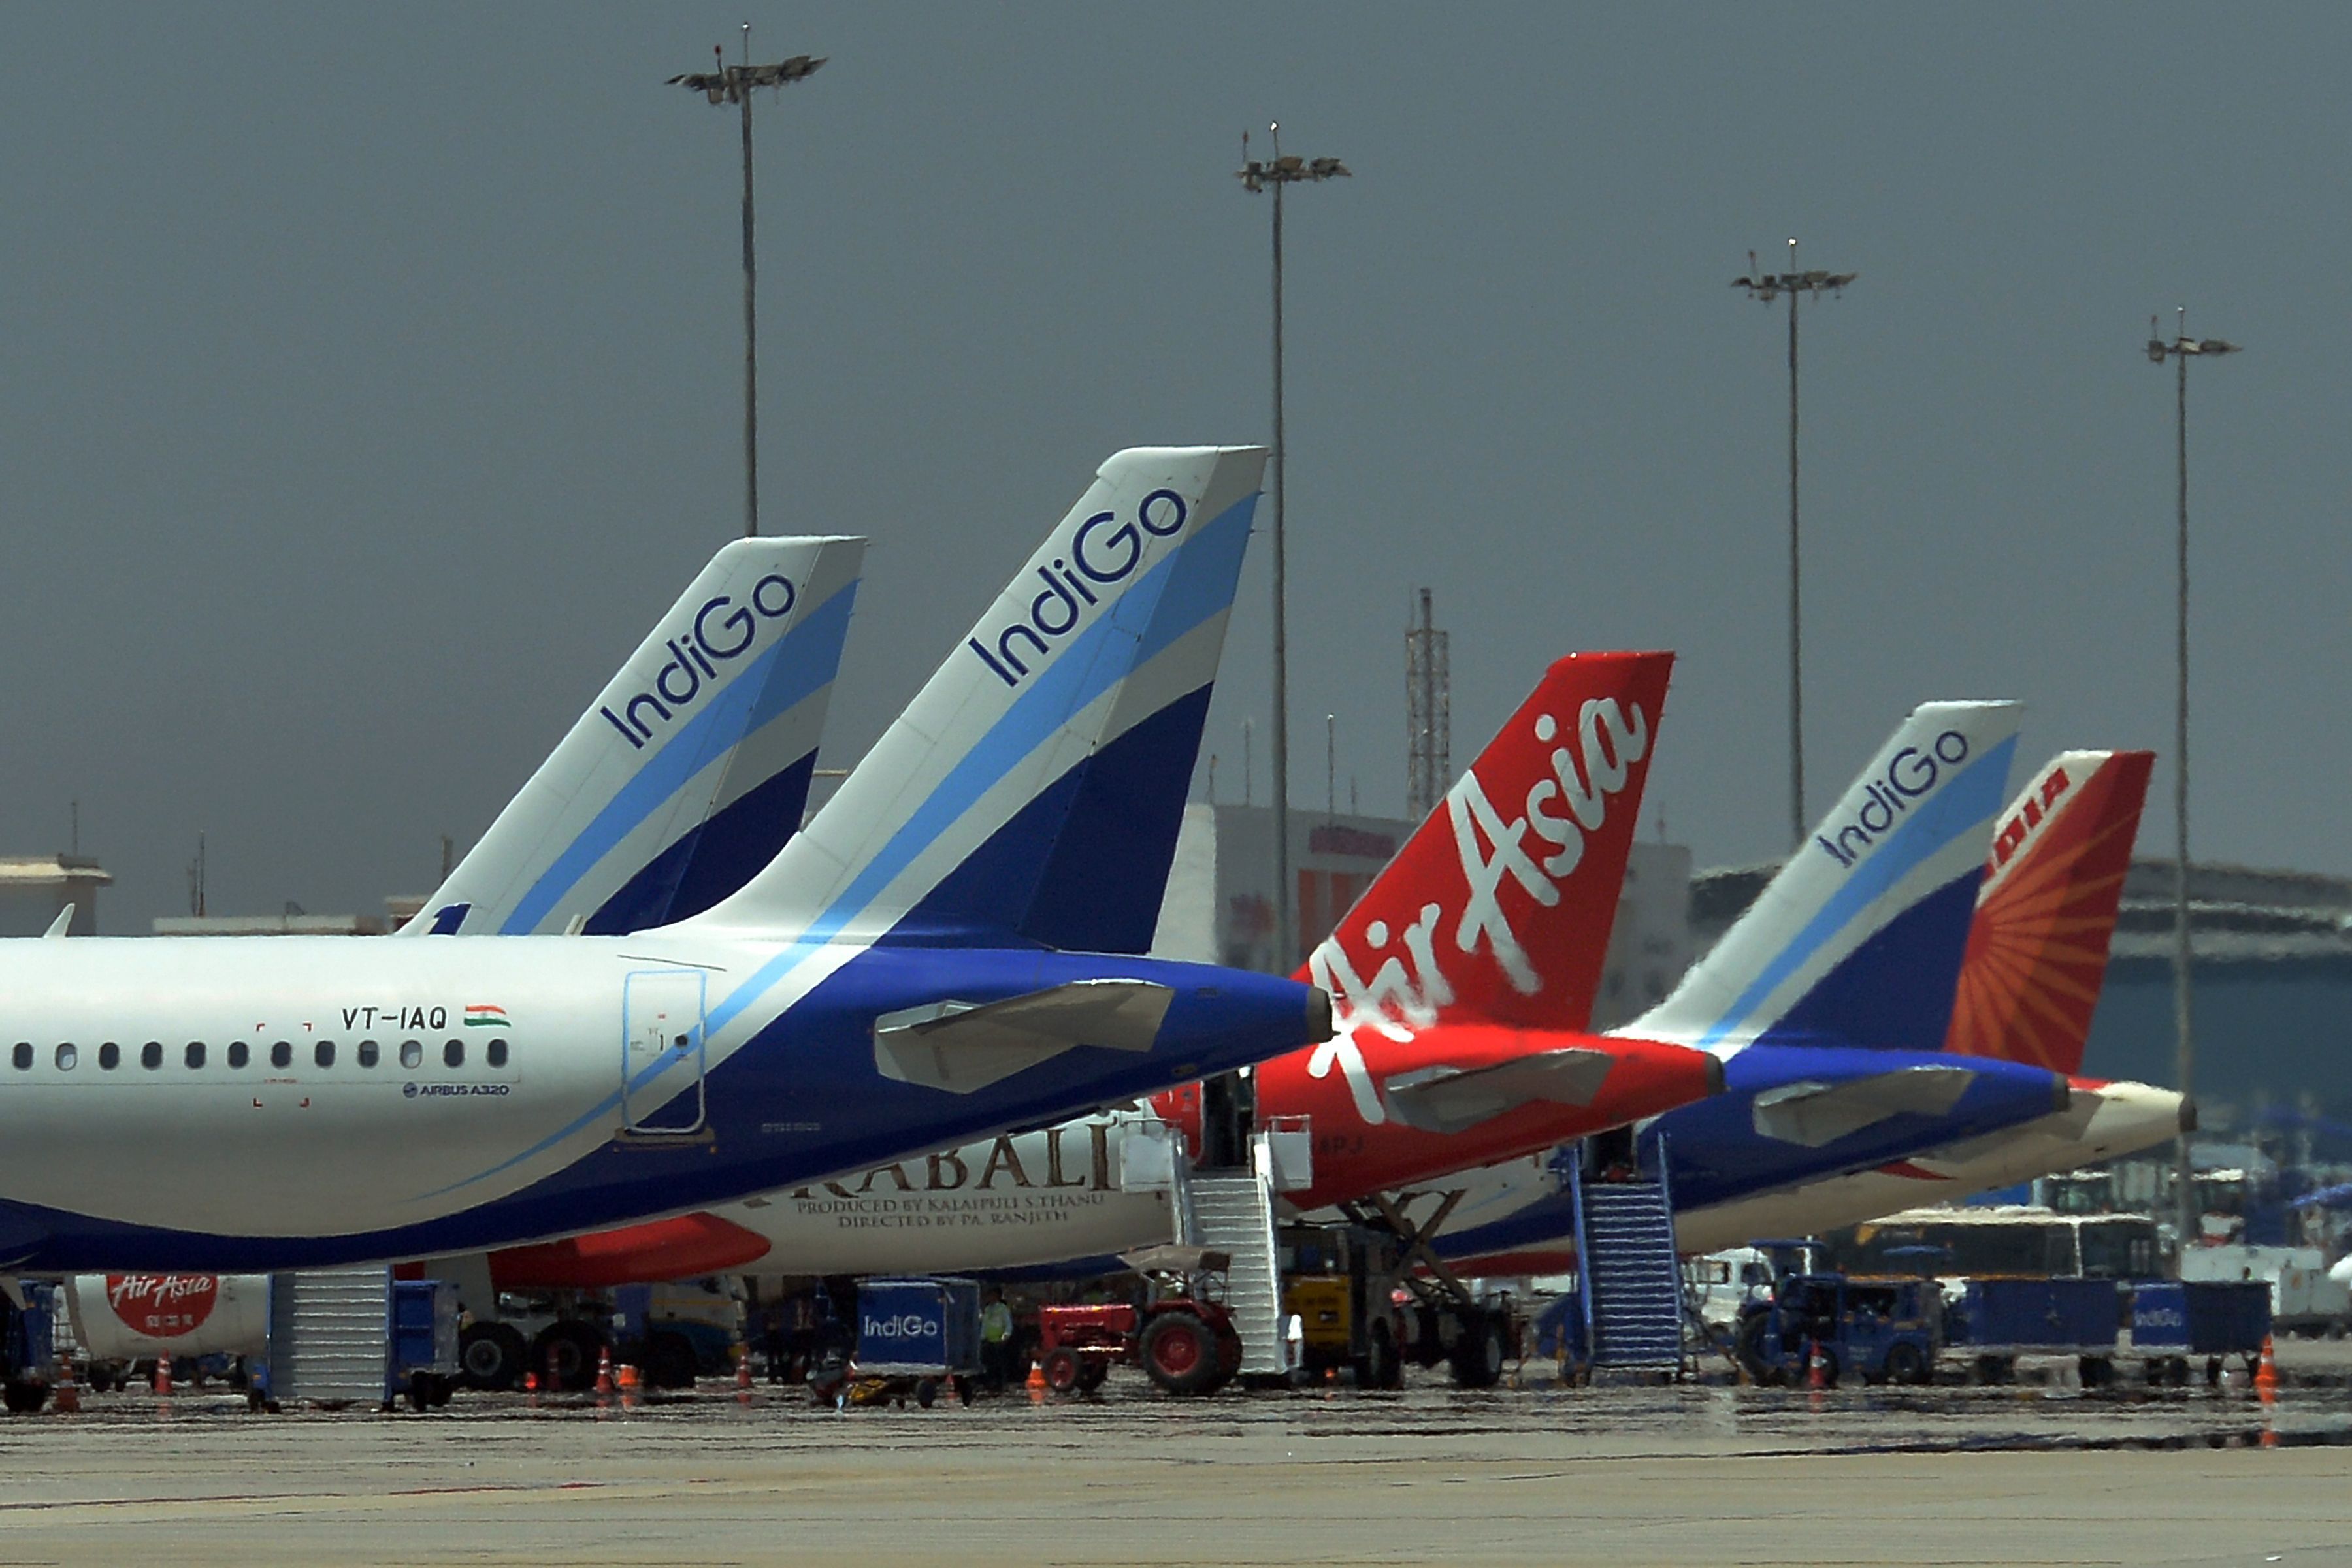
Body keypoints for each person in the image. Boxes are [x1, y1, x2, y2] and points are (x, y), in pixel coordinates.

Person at [980, 1288, 1016, 1390]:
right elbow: (985, 1324)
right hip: (988, 1341)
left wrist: (1006, 1334)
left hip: (999, 1341)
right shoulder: (987, 1309)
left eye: (991, 1295)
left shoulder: (1003, 1309)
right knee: (989, 1364)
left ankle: (1002, 1383)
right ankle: (991, 1383)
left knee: (1000, 1364)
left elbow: (1008, 1323)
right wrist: (982, 1337)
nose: (988, 1298)